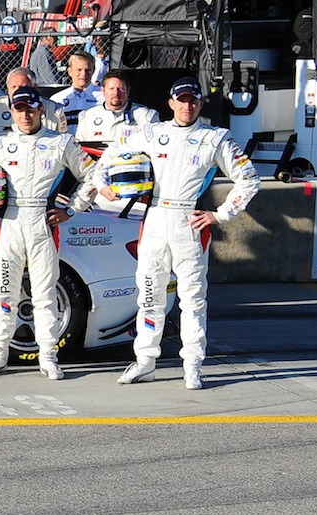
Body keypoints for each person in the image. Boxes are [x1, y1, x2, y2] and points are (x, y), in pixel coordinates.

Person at [94, 78, 261, 390]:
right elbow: (111, 152)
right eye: (182, 100)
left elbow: (249, 179)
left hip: (190, 222)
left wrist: (220, 214)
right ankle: (145, 361)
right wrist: (103, 183)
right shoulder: (153, 132)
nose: (188, 106)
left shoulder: (216, 137)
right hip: (155, 218)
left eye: (193, 100)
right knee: (149, 296)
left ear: (200, 103)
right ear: (171, 103)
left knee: (193, 299)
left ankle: (193, 365)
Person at [0, 87, 95, 379]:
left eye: (31, 109)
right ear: (12, 112)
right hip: (9, 222)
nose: (25, 115)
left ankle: (48, 356)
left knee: (44, 294)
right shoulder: (1, 145)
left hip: (43, 224)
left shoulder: (60, 142)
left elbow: (92, 175)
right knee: (4, 292)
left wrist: (71, 209)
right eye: (20, 110)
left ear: (41, 110)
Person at [73, 70, 160, 149]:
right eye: (111, 89)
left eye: (120, 89)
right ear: (103, 90)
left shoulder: (145, 116)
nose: (116, 93)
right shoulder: (87, 117)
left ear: (128, 91)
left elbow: (156, 148)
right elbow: (79, 151)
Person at [49, 51, 102, 129]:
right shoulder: (57, 99)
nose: (83, 74)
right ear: (70, 71)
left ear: (93, 71)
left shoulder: (103, 96)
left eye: (87, 70)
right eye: (79, 70)